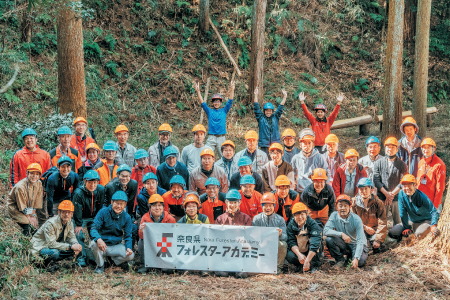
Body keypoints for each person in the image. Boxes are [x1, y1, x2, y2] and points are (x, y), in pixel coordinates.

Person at [90, 191, 135, 274]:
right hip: (102, 245)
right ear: (111, 202)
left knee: (131, 255)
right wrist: (98, 239)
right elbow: (93, 228)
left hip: (116, 245)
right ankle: (100, 266)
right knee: (93, 243)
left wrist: (129, 247)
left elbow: (128, 236)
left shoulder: (127, 217)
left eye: (122, 204)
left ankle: (112, 262)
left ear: (125, 205)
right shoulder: (103, 212)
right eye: (117, 203)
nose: (119, 206)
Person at [31, 200, 82, 269]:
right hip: (41, 247)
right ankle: (42, 265)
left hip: (54, 246)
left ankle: (51, 261)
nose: (66, 214)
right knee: (55, 253)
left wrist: (76, 244)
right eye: (64, 212)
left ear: (71, 214)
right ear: (59, 212)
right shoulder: (51, 223)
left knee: (74, 249)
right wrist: (70, 246)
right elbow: (51, 244)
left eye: (68, 212)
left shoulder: (69, 221)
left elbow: (71, 237)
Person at [388, 175, 440, 241]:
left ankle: (415, 232)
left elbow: (434, 211)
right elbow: (402, 213)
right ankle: (410, 233)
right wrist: (406, 227)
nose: (407, 188)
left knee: (419, 234)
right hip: (412, 221)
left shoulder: (422, 196)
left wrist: (433, 225)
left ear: (414, 185)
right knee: (393, 232)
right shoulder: (401, 194)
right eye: (404, 185)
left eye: (409, 184)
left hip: (425, 221)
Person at [215, 190, 252, 278]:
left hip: (240, 253)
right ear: (226, 203)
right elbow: (216, 238)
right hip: (225, 253)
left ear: (239, 203)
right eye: (230, 202)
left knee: (242, 275)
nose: (233, 205)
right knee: (221, 274)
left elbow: (249, 238)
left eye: (235, 202)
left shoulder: (246, 218)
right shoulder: (220, 219)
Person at [324, 195, 368, 269]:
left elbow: (360, 241)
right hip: (345, 244)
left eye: (345, 206)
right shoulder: (334, 216)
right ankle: (340, 260)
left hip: (357, 244)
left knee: (360, 263)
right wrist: (341, 234)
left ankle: (353, 256)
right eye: (340, 206)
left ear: (350, 207)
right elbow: (325, 231)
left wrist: (356, 258)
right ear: (337, 207)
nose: (343, 208)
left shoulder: (356, 219)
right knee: (329, 239)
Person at [72, 170, 105, 267]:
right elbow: (77, 210)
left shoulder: (100, 190)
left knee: (97, 233)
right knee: (79, 234)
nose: (92, 185)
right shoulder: (78, 193)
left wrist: (98, 219)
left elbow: (100, 205)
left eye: (95, 182)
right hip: (81, 217)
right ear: (85, 181)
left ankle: (95, 256)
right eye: (90, 182)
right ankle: (81, 257)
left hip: (94, 216)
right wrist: (78, 224)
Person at [195, 81, 235, 157]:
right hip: (211, 138)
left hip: (221, 137)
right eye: (215, 101)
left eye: (218, 101)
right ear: (212, 103)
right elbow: (202, 103)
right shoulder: (209, 111)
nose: (216, 103)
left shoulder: (224, 110)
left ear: (220, 102)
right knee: (206, 154)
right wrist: (198, 91)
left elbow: (230, 101)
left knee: (224, 157)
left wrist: (232, 89)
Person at [137, 194, 176, 274]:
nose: (157, 208)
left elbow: (175, 237)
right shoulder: (145, 218)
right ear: (150, 208)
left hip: (165, 244)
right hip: (152, 243)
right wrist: (141, 230)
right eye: (154, 206)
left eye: (159, 205)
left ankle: (166, 263)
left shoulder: (170, 219)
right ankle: (144, 264)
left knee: (166, 270)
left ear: (163, 207)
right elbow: (141, 237)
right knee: (141, 242)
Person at [373, 137, 408, 225]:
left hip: (397, 197)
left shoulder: (402, 164)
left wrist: (392, 194)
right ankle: (381, 238)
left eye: (393, 147)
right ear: (385, 148)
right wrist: (386, 194)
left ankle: (399, 237)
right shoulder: (378, 163)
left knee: (399, 221)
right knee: (381, 221)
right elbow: (376, 180)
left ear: (397, 149)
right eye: (388, 147)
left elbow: (403, 181)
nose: (390, 149)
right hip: (382, 196)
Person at [252, 193, 287, 274]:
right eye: (265, 205)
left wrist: (280, 235)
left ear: (274, 206)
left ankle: (278, 268)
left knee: (283, 244)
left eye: (270, 205)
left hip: (274, 247)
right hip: (261, 246)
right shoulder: (256, 219)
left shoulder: (280, 220)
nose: (268, 208)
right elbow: (254, 237)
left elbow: (285, 238)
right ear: (261, 206)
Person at [351, 178, 387, 254]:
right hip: (359, 231)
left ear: (371, 190)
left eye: (366, 189)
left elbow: (382, 221)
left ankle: (374, 243)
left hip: (374, 231)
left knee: (377, 246)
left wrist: (378, 240)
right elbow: (351, 220)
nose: (363, 191)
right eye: (361, 189)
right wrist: (364, 227)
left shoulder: (378, 203)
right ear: (358, 190)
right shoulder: (354, 203)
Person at [286, 202, 323, 273]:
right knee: (289, 255)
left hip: (310, 250)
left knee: (319, 245)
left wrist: (307, 260)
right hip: (300, 250)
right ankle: (300, 265)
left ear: (306, 214)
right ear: (294, 216)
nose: (300, 217)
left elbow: (315, 243)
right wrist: (299, 255)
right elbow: (291, 241)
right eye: (297, 215)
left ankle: (315, 266)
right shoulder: (291, 225)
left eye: (302, 214)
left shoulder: (313, 224)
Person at [7, 163, 44, 235]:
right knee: (28, 224)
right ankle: (24, 240)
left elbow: (38, 200)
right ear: (27, 174)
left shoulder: (39, 183)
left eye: (37, 174)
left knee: (35, 226)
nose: (34, 176)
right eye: (32, 173)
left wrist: (33, 215)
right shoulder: (20, 187)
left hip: (29, 207)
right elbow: (21, 205)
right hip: (16, 208)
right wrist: (28, 217)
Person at [291, 128, 329, 196]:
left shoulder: (320, 157)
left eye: (309, 143)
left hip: (315, 192)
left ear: (313, 144)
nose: (307, 146)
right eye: (304, 143)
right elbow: (292, 174)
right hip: (300, 191)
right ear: (300, 144)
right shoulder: (295, 158)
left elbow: (327, 174)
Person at [253, 88, 287, 155]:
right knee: (264, 161)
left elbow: (280, 108)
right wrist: (256, 95)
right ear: (264, 111)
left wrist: (285, 97)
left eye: (270, 110)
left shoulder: (275, 117)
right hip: (264, 145)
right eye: (266, 110)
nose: (268, 112)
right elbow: (256, 107)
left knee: (274, 161)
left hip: (275, 144)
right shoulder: (260, 118)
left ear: (272, 111)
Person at [416, 138, 446, 209]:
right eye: (424, 148)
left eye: (428, 147)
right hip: (420, 201)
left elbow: (440, 187)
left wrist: (435, 205)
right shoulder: (421, 162)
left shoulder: (439, 164)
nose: (426, 150)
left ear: (434, 149)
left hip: (432, 203)